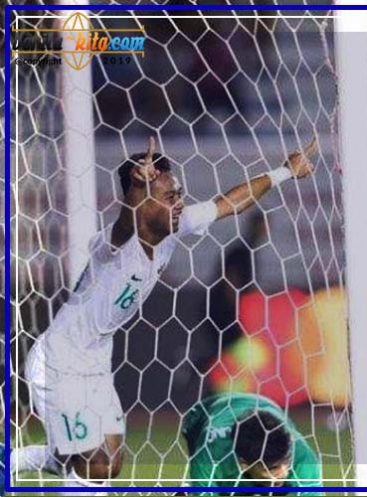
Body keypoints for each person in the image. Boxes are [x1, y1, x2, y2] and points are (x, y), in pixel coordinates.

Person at [10, 136, 318, 494]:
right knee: (95, 463)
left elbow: (229, 203)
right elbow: (126, 222)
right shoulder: (113, 244)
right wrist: (136, 189)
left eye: (179, 194)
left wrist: (284, 172)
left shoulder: (176, 225)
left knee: (108, 461)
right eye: (169, 196)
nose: (179, 203)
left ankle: (11, 461)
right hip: (60, 360)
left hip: (95, 359)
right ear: (142, 199)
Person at [180, 392, 321, 495]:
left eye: (287, 460)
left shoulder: (302, 456)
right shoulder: (210, 455)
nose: (284, 472)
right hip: (204, 415)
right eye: (272, 468)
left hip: (266, 404)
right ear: (244, 464)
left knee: (277, 487)